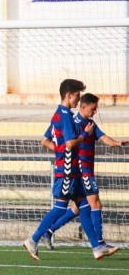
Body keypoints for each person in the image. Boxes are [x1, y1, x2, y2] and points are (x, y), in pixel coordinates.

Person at [22, 79, 103, 261]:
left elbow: (46, 140)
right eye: (77, 96)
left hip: (69, 168)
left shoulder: (58, 114)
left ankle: (98, 247)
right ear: (69, 95)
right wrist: (85, 135)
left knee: (83, 206)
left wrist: (61, 151)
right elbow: (69, 143)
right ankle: (33, 239)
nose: (78, 99)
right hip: (67, 170)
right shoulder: (65, 115)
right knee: (60, 208)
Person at [40, 93, 125, 258]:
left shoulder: (91, 124)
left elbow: (102, 136)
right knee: (95, 203)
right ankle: (99, 243)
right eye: (93, 109)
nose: (95, 112)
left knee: (78, 208)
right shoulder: (71, 122)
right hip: (80, 170)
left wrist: (117, 143)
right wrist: (62, 153)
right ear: (84, 106)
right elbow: (48, 139)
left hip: (86, 170)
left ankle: (48, 232)